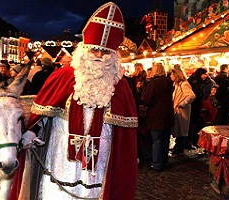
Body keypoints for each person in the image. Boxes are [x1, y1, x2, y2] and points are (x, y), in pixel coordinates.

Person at [10, 2, 138, 199]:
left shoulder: (120, 86)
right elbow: (44, 114)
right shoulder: (62, 76)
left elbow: (125, 136)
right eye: (94, 50)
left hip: (100, 159)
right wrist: (31, 132)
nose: (98, 55)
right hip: (61, 154)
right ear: (84, 48)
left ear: (113, 55)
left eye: (105, 52)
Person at [142, 62, 174, 171]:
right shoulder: (169, 82)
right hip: (167, 114)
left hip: (156, 115)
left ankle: (157, 164)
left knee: (157, 140)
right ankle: (164, 162)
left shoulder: (153, 84)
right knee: (165, 140)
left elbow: (147, 100)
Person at [170, 68, 196, 155]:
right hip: (178, 110)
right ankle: (178, 146)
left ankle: (179, 147)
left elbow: (191, 96)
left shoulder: (184, 84)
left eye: (172, 74)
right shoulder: (177, 85)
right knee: (179, 129)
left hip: (182, 110)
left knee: (182, 129)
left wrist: (183, 103)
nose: (170, 76)